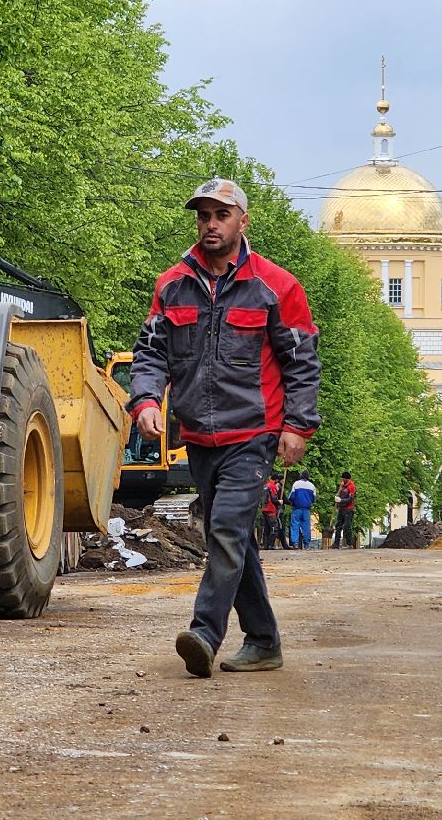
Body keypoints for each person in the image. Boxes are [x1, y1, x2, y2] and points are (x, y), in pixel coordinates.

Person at [128, 177, 321, 678]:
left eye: (221, 215)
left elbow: (301, 361)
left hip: (254, 434)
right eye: (203, 216)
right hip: (198, 436)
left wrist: (298, 425)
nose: (210, 224)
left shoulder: (277, 286)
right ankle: (262, 641)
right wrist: (146, 400)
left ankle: (204, 633)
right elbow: (150, 352)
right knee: (236, 542)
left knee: (225, 532)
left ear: (242, 221)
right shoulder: (173, 283)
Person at [288, 472, 317, 550]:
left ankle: (295, 543)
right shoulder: (312, 486)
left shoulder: (296, 484)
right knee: (306, 527)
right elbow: (314, 499)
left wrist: (292, 503)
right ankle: (306, 544)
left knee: (295, 526)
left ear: (301, 476)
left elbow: (291, 497)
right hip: (306, 509)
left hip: (297, 509)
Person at [331, 472, 358, 549]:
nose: (342, 479)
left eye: (343, 478)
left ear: (347, 479)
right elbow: (339, 493)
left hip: (348, 509)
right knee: (338, 526)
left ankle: (349, 544)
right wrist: (337, 498)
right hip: (341, 509)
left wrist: (341, 501)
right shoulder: (342, 485)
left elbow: (351, 499)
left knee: (347, 526)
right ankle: (336, 544)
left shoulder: (351, 486)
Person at [259, 475, 283, 550]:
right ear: (276, 480)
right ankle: (271, 545)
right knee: (274, 527)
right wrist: (279, 502)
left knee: (266, 528)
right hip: (271, 509)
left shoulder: (265, 486)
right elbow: (274, 499)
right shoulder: (272, 487)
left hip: (264, 509)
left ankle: (266, 545)